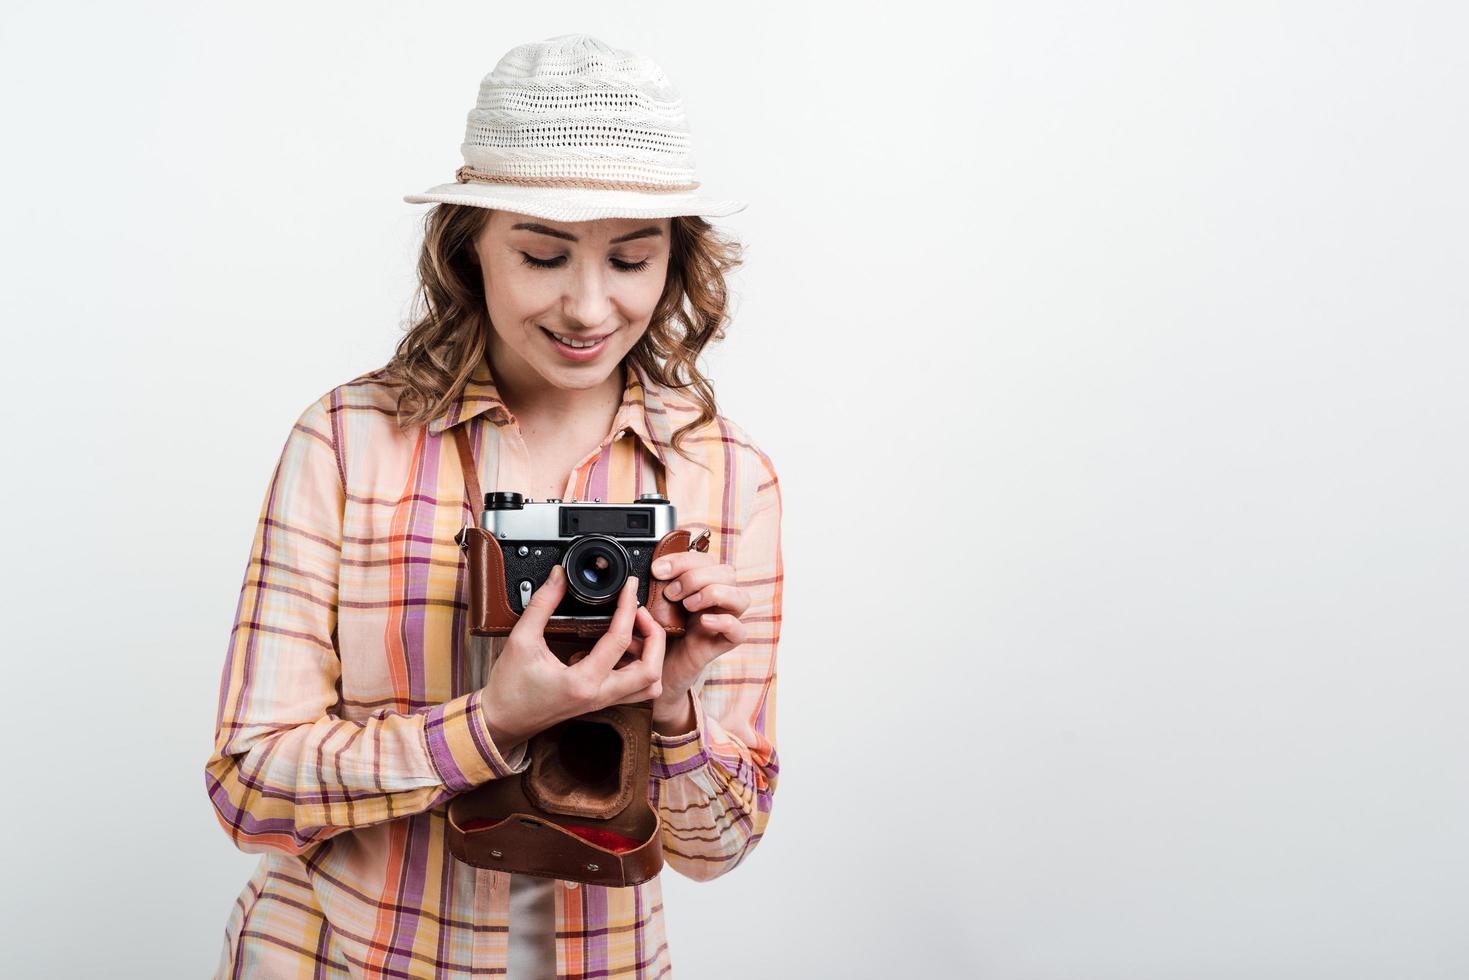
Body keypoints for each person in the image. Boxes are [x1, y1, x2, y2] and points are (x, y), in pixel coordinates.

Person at [203, 34, 784, 979]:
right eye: (544, 256)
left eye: (630, 261)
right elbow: (248, 791)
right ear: (469, 247)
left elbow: (716, 848)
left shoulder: (724, 473)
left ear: (674, 264)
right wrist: (491, 724)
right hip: (340, 956)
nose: (589, 307)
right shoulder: (351, 440)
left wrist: (671, 703)